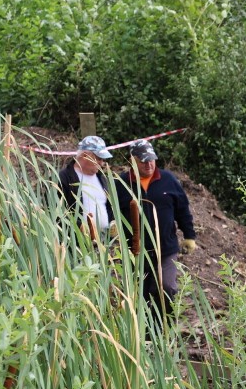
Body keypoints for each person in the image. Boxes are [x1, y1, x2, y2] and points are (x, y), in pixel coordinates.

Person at [115, 140, 196, 319]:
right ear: (133, 161)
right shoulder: (121, 184)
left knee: (166, 287)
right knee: (139, 293)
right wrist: (114, 226)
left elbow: (182, 209)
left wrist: (189, 235)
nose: (149, 164)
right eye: (144, 161)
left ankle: (164, 328)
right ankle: (142, 335)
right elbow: (111, 210)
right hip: (135, 251)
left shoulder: (168, 180)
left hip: (165, 248)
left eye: (152, 160)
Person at [58, 135, 115, 239]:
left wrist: (112, 223)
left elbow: (108, 207)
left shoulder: (102, 178)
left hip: (103, 243)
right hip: (76, 244)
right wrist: (79, 226)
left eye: (103, 160)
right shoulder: (64, 178)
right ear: (84, 155)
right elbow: (56, 211)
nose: (102, 163)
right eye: (98, 159)